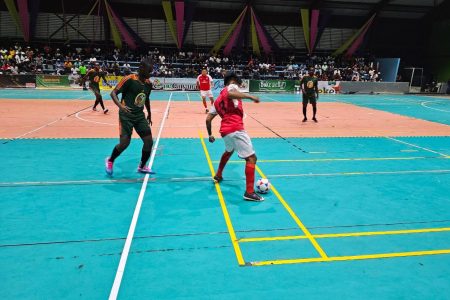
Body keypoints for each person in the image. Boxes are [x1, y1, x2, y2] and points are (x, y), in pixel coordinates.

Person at [206, 72, 264, 202]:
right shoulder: (232, 86)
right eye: (237, 82)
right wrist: (250, 96)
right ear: (232, 81)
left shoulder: (216, 101)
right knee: (251, 158)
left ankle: (218, 175)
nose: (238, 85)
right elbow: (230, 93)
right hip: (235, 128)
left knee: (229, 151)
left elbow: (208, 119)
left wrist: (210, 134)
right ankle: (249, 192)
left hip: (225, 131)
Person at [105, 58, 155, 176]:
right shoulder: (129, 79)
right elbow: (113, 93)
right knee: (124, 144)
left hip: (139, 116)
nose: (150, 73)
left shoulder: (148, 84)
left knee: (149, 142)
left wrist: (149, 114)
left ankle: (142, 166)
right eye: (149, 71)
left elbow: (146, 98)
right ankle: (110, 160)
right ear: (142, 68)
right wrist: (121, 107)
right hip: (126, 115)